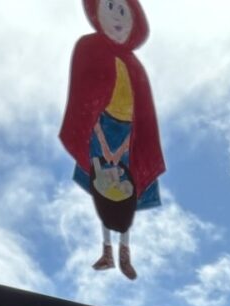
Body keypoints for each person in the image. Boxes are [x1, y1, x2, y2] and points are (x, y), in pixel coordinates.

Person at [59, 0, 165, 281]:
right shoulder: (89, 49)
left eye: (122, 11)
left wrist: (124, 146)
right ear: (96, 13)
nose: (116, 17)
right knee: (104, 188)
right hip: (101, 128)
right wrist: (103, 142)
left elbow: (142, 115)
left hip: (129, 135)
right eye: (110, 7)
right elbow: (85, 101)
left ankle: (124, 252)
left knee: (127, 191)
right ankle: (107, 250)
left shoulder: (134, 66)